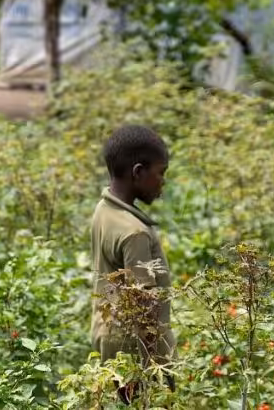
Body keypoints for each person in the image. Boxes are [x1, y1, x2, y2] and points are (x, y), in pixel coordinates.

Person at [89, 124, 176, 403]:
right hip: (134, 349)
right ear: (138, 172)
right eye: (160, 173)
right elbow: (144, 306)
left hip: (108, 335)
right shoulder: (134, 232)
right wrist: (163, 368)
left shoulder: (105, 209)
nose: (162, 182)